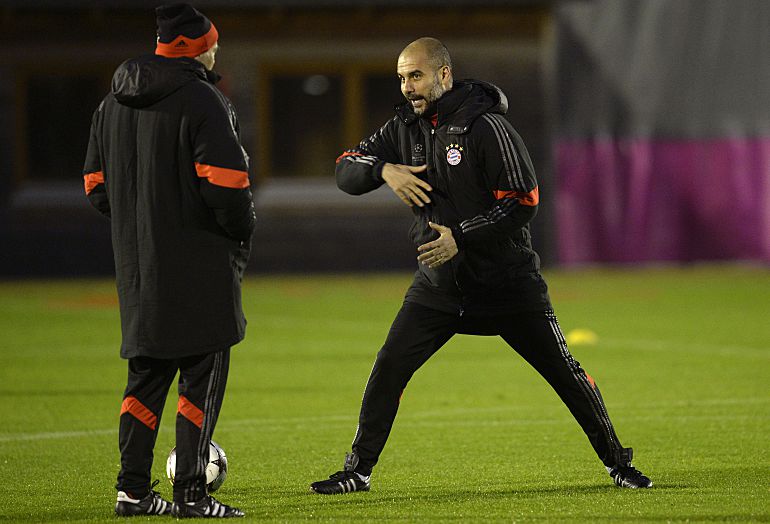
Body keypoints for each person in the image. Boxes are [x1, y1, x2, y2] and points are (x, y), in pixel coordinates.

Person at [310, 37, 652, 494]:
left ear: (444, 75)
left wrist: (461, 236)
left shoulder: (487, 126)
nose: (407, 87)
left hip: (507, 284)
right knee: (389, 365)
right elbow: (345, 169)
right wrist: (383, 170)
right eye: (402, 77)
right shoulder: (403, 128)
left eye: (416, 76)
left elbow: (523, 200)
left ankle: (618, 464)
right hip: (440, 286)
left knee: (564, 373)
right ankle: (358, 471)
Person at [83, 3, 254, 518]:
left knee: (145, 378)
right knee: (202, 375)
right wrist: (240, 231)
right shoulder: (204, 99)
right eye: (213, 45)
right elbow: (227, 185)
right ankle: (192, 495)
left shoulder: (111, 102)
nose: (216, 52)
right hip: (200, 263)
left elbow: (95, 186)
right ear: (200, 48)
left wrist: (140, 225)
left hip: (139, 267)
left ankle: (133, 491)